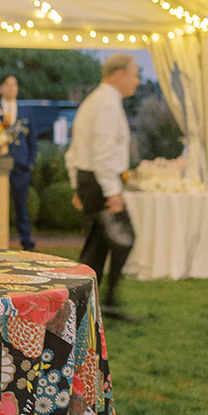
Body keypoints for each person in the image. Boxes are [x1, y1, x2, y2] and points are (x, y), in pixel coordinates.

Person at [66, 53, 142, 321]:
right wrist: (113, 192)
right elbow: (104, 153)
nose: (137, 80)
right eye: (134, 74)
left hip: (90, 179)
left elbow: (74, 151)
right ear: (118, 74)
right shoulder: (107, 104)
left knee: (97, 247)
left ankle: (92, 306)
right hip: (100, 182)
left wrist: (78, 185)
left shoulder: (95, 100)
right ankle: (98, 305)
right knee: (119, 241)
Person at [0, 74, 38, 251]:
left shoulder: (26, 111)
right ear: (1, 88)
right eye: (8, 85)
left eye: (15, 85)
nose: (12, 89)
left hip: (21, 166)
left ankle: (26, 241)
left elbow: (32, 140)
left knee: (21, 205)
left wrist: (30, 161)